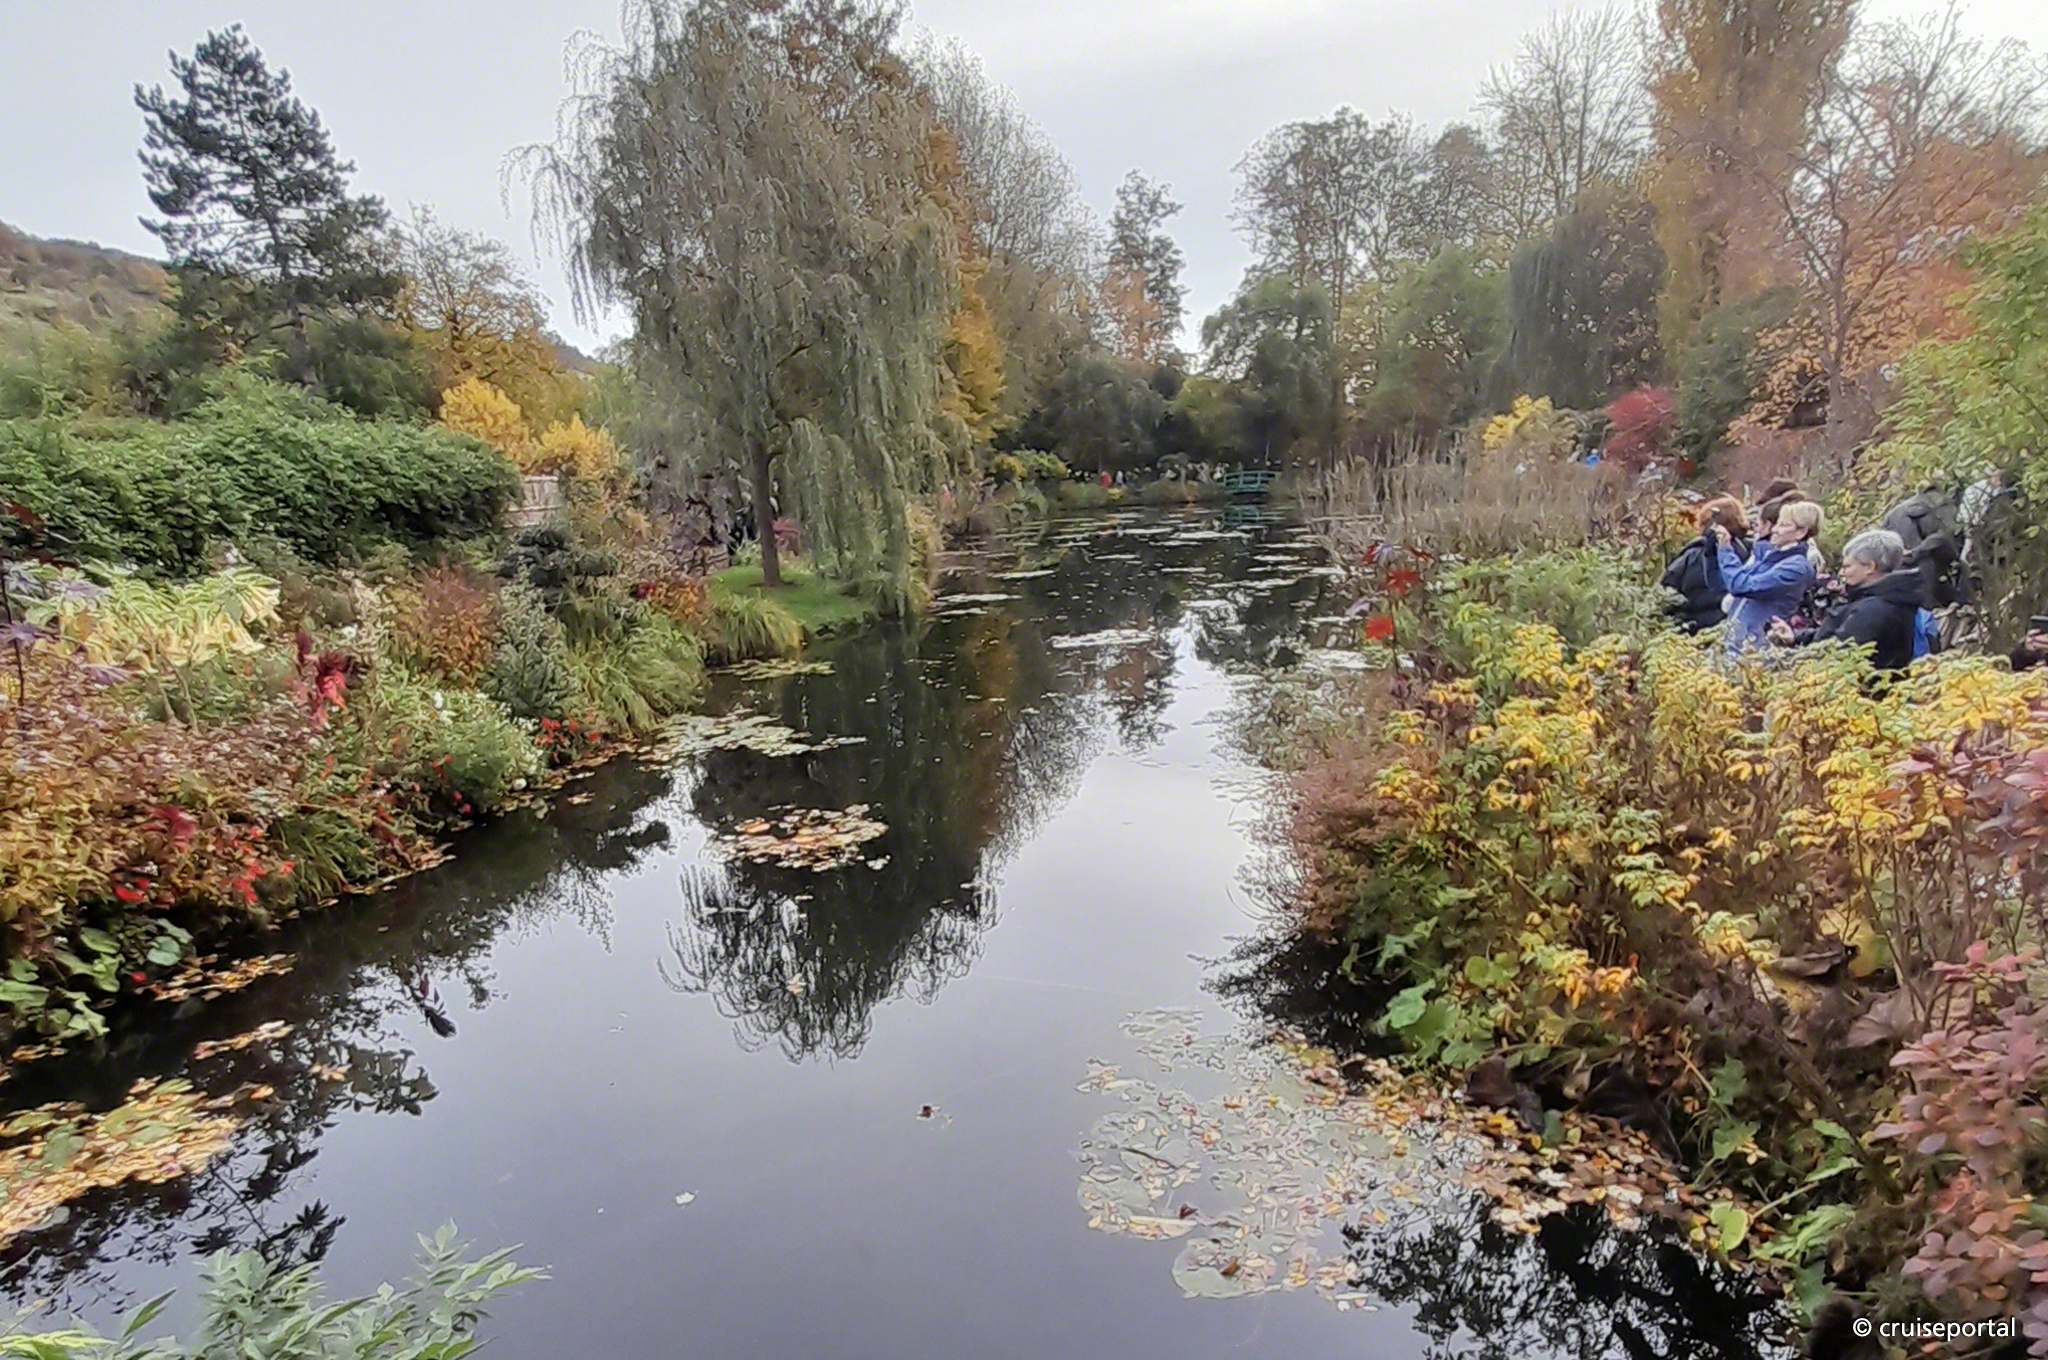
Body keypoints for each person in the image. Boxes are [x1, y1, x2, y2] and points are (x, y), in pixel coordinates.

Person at [1767, 529, 1926, 671]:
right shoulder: (1884, 598)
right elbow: (1837, 636)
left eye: (1848, 566)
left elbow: (1839, 653)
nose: (1842, 573)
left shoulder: (1873, 609)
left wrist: (1784, 662)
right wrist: (1796, 637)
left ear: (1870, 567)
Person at [1717, 500, 1822, 653]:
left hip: (1755, 651)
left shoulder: (1795, 569)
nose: (1775, 530)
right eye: (1777, 523)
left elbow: (1740, 585)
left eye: (1784, 525)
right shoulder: (1769, 556)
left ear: (1801, 532)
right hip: (1737, 644)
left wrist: (1725, 549)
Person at [1661, 496, 1749, 633]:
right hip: (1736, 624)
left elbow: (1667, 589)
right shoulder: (1751, 551)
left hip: (1694, 624)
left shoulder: (1694, 555)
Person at [1882, 483, 1965, 607]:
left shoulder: (1902, 510)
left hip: (1911, 540)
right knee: (1920, 566)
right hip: (1915, 542)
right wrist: (1917, 551)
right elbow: (1946, 535)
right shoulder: (1943, 504)